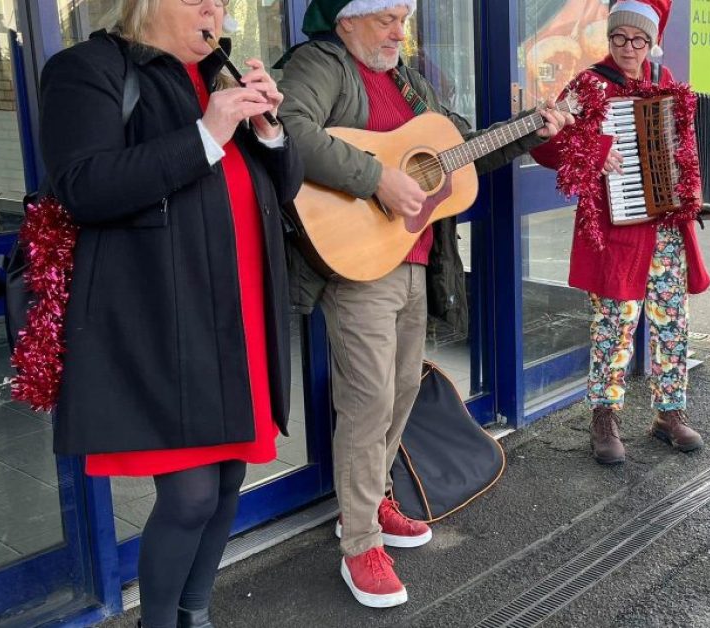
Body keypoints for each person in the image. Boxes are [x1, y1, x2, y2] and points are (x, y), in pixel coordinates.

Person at [275, 0, 571, 608]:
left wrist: (526, 132)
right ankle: (359, 544)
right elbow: (290, 130)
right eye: (386, 18)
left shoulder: (405, 82)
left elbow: (456, 151)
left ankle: (374, 502)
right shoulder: (321, 62)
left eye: (402, 18)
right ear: (347, 18)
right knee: (368, 401)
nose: (398, 31)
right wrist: (376, 178)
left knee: (403, 388)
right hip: (358, 264)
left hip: (410, 259)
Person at [38, 0, 301, 626]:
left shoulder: (217, 72)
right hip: (160, 318)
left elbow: (281, 190)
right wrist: (208, 133)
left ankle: (195, 613)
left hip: (236, 313)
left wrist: (269, 133)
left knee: (229, 478)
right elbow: (83, 188)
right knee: (188, 495)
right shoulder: (88, 68)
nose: (215, 8)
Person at [530, 0, 710, 466]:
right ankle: (605, 416)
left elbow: (706, 143)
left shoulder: (666, 85)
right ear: (608, 38)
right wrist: (594, 151)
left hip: (669, 232)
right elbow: (547, 145)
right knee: (613, 326)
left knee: (672, 323)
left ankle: (668, 413)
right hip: (617, 231)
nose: (628, 48)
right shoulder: (589, 86)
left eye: (639, 39)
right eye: (619, 38)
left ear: (653, 42)